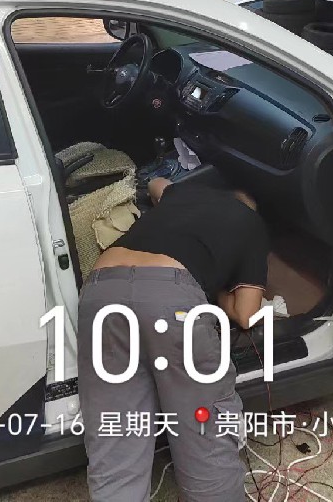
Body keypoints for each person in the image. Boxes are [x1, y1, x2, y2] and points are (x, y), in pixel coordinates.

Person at [78, 176, 269, 501]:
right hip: (170, 297)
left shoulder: (182, 193)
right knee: (204, 434)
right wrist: (219, 287)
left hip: (101, 290)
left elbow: (155, 183)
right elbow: (246, 314)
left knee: (116, 440)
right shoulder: (251, 224)